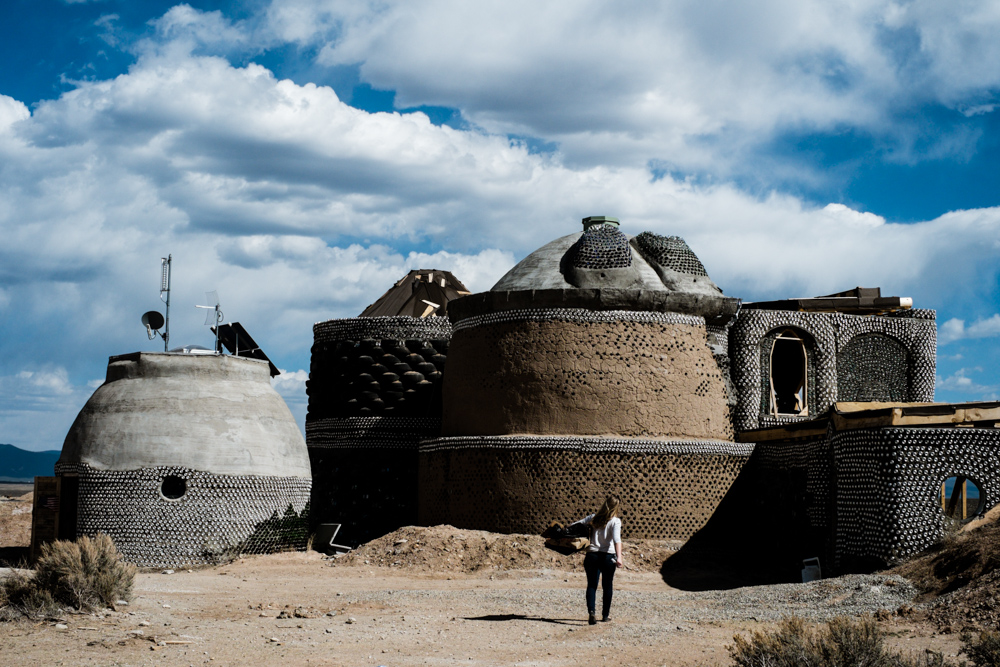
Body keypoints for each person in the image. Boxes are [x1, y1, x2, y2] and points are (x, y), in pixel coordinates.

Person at [571, 495, 623, 625]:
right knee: (607, 586)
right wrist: (619, 557)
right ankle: (605, 615)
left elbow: (575, 524)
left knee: (592, 585)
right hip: (607, 557)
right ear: (616, 507)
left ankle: (591, 612)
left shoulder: (593, 518)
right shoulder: (615, 521)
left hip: (592, 556)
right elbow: (617, 540)